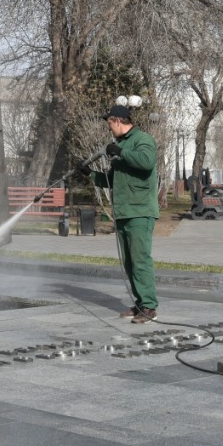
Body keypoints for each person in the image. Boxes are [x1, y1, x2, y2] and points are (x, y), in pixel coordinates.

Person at [86, 103, 159, 324]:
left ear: (118, 121)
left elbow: (146, 163)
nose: (109, 128)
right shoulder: (121, 145)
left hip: (140, 211)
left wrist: (121, 152)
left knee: (140, 260)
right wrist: (89, 174)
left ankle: (149, 306)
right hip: (124, 212)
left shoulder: (142, 140)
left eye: (109, 123)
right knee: (129, 262)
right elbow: (111, 180)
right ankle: (139, 303)